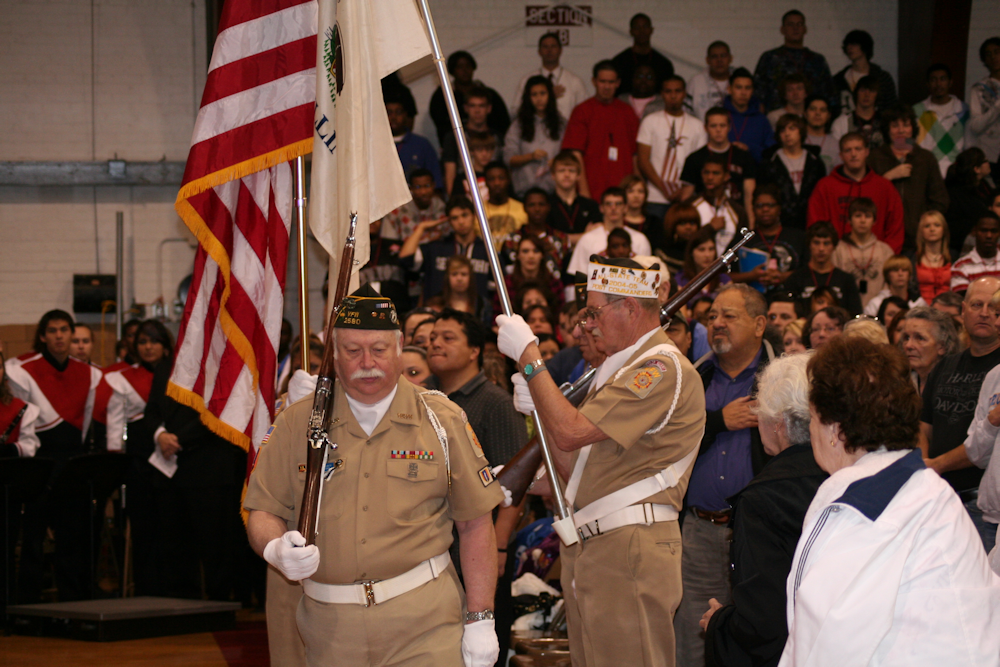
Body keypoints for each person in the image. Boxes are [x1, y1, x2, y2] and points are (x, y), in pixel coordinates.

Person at [246, 285, 504, 667]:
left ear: (399, 347)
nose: (367, 361)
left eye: (380, 350)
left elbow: (475, 523)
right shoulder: (297, 423)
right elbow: (262, 510)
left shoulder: (441, 420)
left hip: (425, 621)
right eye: (352, 351)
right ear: (334, 354)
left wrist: (481, 618)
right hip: (330, 630)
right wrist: (274, 549)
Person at [495, 254, 705, 667]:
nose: (584, 324)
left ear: (628, 308)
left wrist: (531, 358)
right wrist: (539, 406)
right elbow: (572, 466)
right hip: (597, 545)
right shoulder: (618, 370)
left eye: (593, 311)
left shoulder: (658, 368)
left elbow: (572, 431)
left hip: (629, 546)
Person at [779, 336, 1000, 667]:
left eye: (812, 417)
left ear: (834, 429)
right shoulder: (924, 489)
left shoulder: (865, 509)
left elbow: (828, 641)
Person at [701, 352, 827, 667]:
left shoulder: (762, 499)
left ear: (779, 424)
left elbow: (762, 622)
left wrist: (718, 623)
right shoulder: (843, 476)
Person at [674, 283, 773, 667]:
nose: (717, 324)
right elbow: (667, 442)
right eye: (712, 316)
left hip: (756, 532)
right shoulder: (694, 377)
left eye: (729, 316)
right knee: (690, 637)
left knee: (750, 634)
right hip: (698, 529)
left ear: (759, 324)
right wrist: (718, 421)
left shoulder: (780, 374)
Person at [5, 310, 103, 602]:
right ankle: (28, 599)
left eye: (64, 329)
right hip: (39, 463)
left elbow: (86, 423)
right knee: (34, 535)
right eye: (53, 330)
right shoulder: (20, 368)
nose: (59, 336)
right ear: (43, 335)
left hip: (72, 462)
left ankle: (73, 596)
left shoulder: (90, 373)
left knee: (72, 533)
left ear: (72, 333)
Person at [922, 276, 1000, 546]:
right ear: (963, 310)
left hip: (982, 500)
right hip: (940, 494)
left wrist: (936, 465)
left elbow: (983, 444)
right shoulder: (945, 366)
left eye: (994, 307)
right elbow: (924, 424)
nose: (985, 313)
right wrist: (925, 467)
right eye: (977, 305)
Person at [867, 104, 949, 249]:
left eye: (906, 125)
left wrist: (925, 223)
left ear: (913, 128)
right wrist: (887, 177)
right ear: (887, 130)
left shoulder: (926, 158)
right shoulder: (875, 157)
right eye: (895, 125)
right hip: (882, 236)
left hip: (918, 238)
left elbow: (940, 199)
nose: (901, 130)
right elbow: (865, 197)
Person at [807, 132, 905, 253]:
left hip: (876, 261)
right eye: (848, 150)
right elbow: (816, 228)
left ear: (866, 152)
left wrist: (886, 258)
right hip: (836, 260)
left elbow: (895, 228)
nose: (853, 154)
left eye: (858, 149)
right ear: (841, 155)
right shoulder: (825, 186)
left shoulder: (884, 187)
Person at [561, 60, 640, 200]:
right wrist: (584, 192)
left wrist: (638, 190)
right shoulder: (582, 111)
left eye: (611, 82)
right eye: (602, 81)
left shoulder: (627, 112)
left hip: (624, 189)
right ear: (594, 81)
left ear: (618, 83)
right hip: (592, 188)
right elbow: (576, 154)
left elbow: (635, 154)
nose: (607, 87)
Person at [637, 75, 707, 221]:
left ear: (684, 93)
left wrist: (683, 191)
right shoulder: (650, 121)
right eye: (668, 91)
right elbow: (643, 159)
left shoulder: (697, 125)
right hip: (655, 196)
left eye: (677, 91)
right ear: (662, 94)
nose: (673, 96)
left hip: (686, 197)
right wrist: (664, 188)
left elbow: (700, 163)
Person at [399, 196, 493, 306]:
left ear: (474, 216)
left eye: (465, 215)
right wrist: (421, 228)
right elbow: (405, 259)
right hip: (438, 315)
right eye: (454, 218)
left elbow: (495, 290)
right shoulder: (437, 248)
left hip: (476, 315)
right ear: (449, 221)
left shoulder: (488, 251)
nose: (461, 222)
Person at [962, 287, 1000, 552]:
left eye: (999, 314)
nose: (996, 322)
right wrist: (991, 422)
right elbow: (975, 453)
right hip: (991, 515)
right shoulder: (994, 376)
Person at [752, 10, 835, 114]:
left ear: (805, 29)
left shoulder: (817, 60)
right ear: (782, 30)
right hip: (777, 118)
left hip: (811, 118)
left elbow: (829, 94)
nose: (795, 28)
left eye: (799, 24)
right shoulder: (770, 58)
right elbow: (758, 93)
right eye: (790, 24)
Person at [681, 106, 758, 211]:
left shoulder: (743, 156)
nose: (718, 130)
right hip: (703, 215)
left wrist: (751, 225)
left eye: (722, 125)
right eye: (713, 126)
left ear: (729, 127)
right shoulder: (694, 159)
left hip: (737, 214)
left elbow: (749, 197)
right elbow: (686, 198)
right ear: (705, 128)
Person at [758, 113, 827, 229]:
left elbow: (822, 194)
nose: (787, 134)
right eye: (782, 130)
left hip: (811, 221)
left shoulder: (815, 161)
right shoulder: (769, 162)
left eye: (792, 128)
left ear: (801, 131)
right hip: (780, 223)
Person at [781, 221, 864, 315]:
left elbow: (855, 314)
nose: (821, 248)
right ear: (809, 245)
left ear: (834, 246)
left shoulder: (846, 280)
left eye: (826, 243)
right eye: (816, 243)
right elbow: (788, 313)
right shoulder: (795, 279)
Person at [430, 50, 510, 147]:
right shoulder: (442, 96)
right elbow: (441, 125)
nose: (465, 70)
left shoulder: (489, 93)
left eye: (468, 66)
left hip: (489, 145)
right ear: (452, 70)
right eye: (459, 67)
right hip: (456, 145)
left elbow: (503, 122)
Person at [566, 187, 651, 276]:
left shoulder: (640, 240)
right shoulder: (587, 239)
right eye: (608, 204)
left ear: (625, 208)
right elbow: (579, 277)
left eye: (618, 204)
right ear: (601, 208)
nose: (613, 208)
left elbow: (647, 277)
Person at [505, 75, 565, 196]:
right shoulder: (518, 125)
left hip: (555, 191)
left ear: (550, 95)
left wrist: (558, 161)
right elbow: (508, 159)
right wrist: (531, 156)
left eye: (543, 93)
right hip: (524, 191)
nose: (539, 99)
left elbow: (570, 155)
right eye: (534, 94)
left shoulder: (562, 124)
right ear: (528, 98)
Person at [511, 32, 588, 123]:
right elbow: (514, 113)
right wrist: (549, 96)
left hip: (567, 134)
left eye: (553, 46)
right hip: (533, 133)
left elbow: (585, 114)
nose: (549, 50)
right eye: (545, 47)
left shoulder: (575, 81)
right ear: (539, 51)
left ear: (560, 50)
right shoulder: (527, 80)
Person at [832, 197, 895, 306]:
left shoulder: (885, 250)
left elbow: (890, 283)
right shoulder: (838, 249)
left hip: (878, 309)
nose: (863, 220)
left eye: (867, 216)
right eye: (858, 216)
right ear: (849, 220)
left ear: (874, 221)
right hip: (845, 307)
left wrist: (878, 304)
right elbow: (834, 282)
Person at [914, 63, 970, 178]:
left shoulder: (964, 111)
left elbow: (971, 145)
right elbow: (908, 143)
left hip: (957, 174)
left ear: (950, 82)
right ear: (927, 84)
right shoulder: (917, 111)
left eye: (943, 79)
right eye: (933, 80)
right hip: (926, 173)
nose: (938, 84)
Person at [500, 189, 568, 279]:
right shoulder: (511, 240)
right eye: (532, 205)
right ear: (524, 208)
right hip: (519, 290)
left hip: (553, 290)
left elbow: (566, 274)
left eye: (541, 204)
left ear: (548, 207)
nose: (537, 209)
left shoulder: (561, 238)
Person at [384, 88, 442, 190]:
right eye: (389, 113)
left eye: (398, 112)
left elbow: (436, 184)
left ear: (405, 115)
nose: (393, 117)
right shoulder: (375, 146)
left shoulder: (421, 144)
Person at [832, 29, 898, 118]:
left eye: (854, 44)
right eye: (847, 44)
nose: (849, 47)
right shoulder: (839, 79)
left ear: (865, 47)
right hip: (845, 126)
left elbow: (891, 107)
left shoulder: (882, 78)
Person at [611, 13, 675, 96]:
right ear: (631, 31)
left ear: (651, 30)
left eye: (645, 27)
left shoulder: (664, 64)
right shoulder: (619, 62)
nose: (642, 31)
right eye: (637, 28)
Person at [945, 148, 995, 255]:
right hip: (962, 248)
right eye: (985, 161)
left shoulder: (984, 185)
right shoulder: (957, 192)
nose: (988, 163)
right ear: (977, 169)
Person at [900, 306, 959, 395]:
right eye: (906, 337)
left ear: (942, 347)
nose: (908, 345)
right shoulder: (900, 384)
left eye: (920, 338)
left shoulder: (955, 386)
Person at [547, 150, 603, 240]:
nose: (567, 175)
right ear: (553, 175)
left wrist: (564, 238)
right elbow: (548, 238)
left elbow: (598, 235)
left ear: (578, 175)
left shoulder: (591, 205)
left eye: (571, 171)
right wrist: (584, 236)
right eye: (561, 170)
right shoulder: (545, 204)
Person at [380, 169, 448, 243]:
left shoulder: (442, 208)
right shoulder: (397, 212)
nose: (423, 192)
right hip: (406, 252)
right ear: (411, 188)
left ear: (433, 185)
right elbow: (388, 243)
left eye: (427, 186)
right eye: (418, 187)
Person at [724, 68, 775, 163]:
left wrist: (750, 149)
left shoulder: (761, 120)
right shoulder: (719, 116)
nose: (743, 93)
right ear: (729, 89)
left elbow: (770, 152)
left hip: (755, 172)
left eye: (747, 88)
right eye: (738, 87)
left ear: (753, 91)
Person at [675, 225, 732, 308]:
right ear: (691, 253)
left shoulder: (724, 280)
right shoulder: (680, 281)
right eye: (701, 249)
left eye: (711, 249)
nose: (707, 255)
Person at [967, 37, 1000, 170]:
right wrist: (997, 107)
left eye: (997, 51)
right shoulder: (979, 89)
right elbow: (975, 126)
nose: (993, 57)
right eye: (988, 54)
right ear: (984, 60)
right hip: (991, 155)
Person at [863, 254, 928, 316]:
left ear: (909, 275)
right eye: (895, 270)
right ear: (887, 275)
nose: (900, 274)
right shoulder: (876, 304)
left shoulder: (919, 304)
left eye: (904, 270)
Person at [482, 162, 527, 250]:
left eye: (501, 178)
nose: (497, 183)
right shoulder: (477, 211)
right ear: (486, 182)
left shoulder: (523, 209)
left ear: (508, 180)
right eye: (492, 179)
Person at [951, 212, 1000, 293]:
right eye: (984, 230)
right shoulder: (960, 267)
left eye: (994, 231)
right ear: (974, 231)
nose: (989, 235)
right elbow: (963, 302)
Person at [830, 75, 884, 149]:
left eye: (871, 91)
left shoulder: (885, 121)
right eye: (863, 90)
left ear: (877, 95)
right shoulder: (841, 123)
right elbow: (835, 152)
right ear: (856, 93)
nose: (866, 95)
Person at [687, 41, 735, 124]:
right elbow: (686, 114)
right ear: (707, 60)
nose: (719, 60)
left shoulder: (739, 80)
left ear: (730, 58)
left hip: (736, 134)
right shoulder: (696, 82)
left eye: (723, 56)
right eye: (714, 57)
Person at [913, 210, 953, 302]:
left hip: (948, 308)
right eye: (927, 226)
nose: (932, 229)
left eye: (937, 225)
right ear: (921, 231)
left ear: (944, 229)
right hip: (919, 309)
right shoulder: (912, 258)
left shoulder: (954, 257)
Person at [659, 203, 702, 272]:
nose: (688, 227)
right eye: (682, 223)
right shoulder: (663, 254)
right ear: (672, 225)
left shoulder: (702, 251)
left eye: (692, 223)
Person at [802, 95, 840, 171]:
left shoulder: (836, 144)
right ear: (805, 114)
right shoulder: (796, 141)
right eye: (813, 109)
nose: (817, 113)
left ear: (829, 116)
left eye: (822, 110)